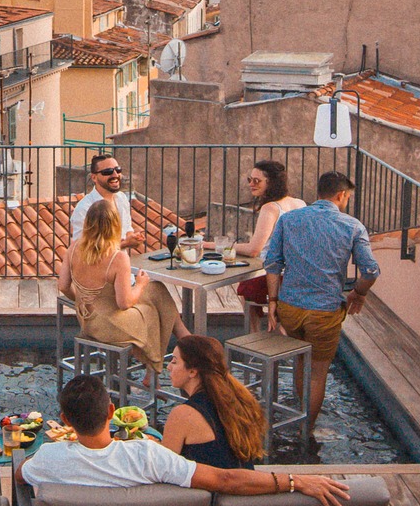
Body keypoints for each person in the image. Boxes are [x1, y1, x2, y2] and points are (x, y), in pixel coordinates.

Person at [19, 376, 349, 506]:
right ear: (111, 411)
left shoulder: (49, 459)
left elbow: (21, 473)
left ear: (64, 420)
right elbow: (225, 478)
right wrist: (295, 480)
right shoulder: (148, 455)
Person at [265, 169, 380, 427]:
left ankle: (297, 414)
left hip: (290, 307)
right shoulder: (352, 226)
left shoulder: (289, 219)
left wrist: (272, 302)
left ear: (319, 192)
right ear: (341, 195)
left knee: (300, 361)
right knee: (317, 374)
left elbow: (272, 263)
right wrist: (358, 293)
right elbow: (371, 270)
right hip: (324, 312)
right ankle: (307, 430)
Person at [58, 198, 190, 371]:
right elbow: (124, 303)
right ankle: (158, 364)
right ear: (114, 225)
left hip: (87, 321)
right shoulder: (117, 257)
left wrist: (84, 300)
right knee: (152, 310)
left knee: (157, 289)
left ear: (87, 223)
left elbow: (63, 286)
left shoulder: (73, 248)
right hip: (110, 326)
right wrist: (141, 284)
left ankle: (174, 348)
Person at [159, 335, 266, 469]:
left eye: (174, 362)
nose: (168, 367)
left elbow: (162, 468)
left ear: (192, 371)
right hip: (242, 484)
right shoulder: (235, 402)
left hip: (212, 489)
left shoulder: (183, 415)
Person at [234, 159, 305, 324]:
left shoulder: (270, 208)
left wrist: (219, 246)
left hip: (275, 276)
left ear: (271, 183)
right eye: (249, 179)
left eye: (257, 181)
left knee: (246, 288)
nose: (251, 184)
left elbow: (254, 249)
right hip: (296, 274)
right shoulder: (300, 203)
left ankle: (253, 335)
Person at [68, 152, 147, 250]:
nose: (115, 174)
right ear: (94, 178)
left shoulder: (121, 199)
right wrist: (125, 244)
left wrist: (133, 238)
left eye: (118, 170)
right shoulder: (84, 208)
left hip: (119, 262)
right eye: (107, 172)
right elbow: (83, 249)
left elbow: (127, 230)